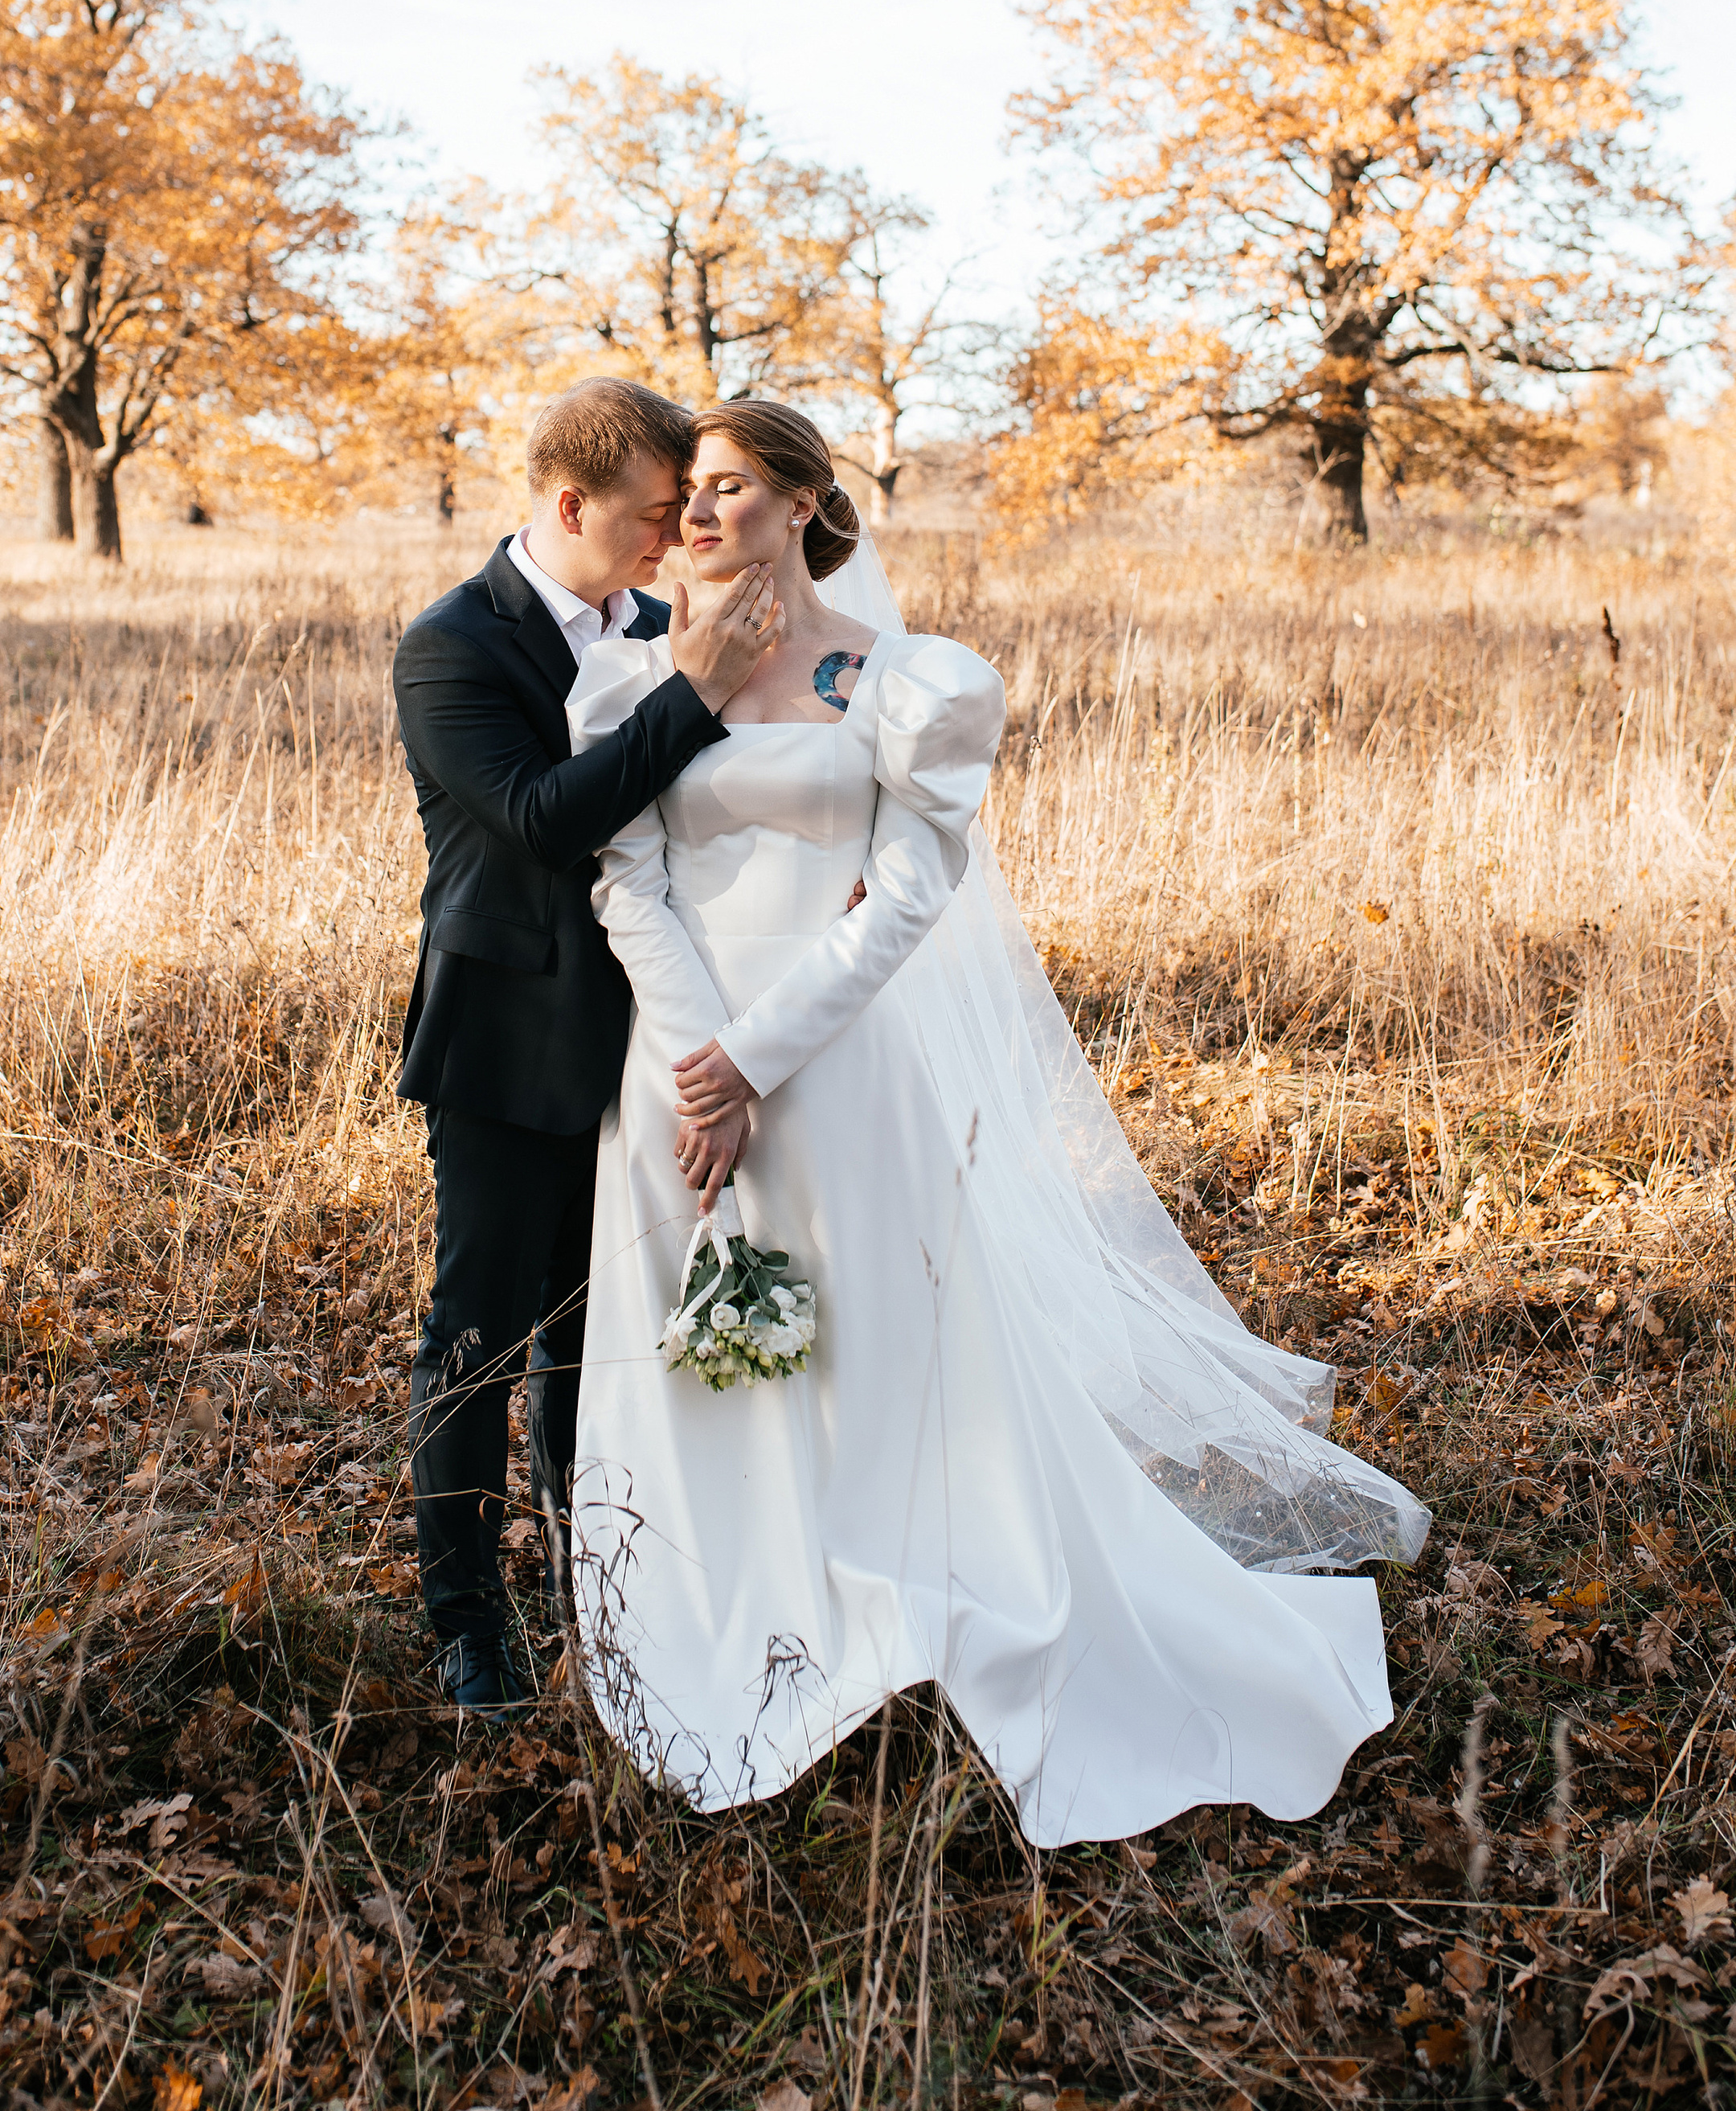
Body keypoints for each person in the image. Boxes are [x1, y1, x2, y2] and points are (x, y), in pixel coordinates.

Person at [564, 399, 1430, 1845]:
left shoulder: (901, 680)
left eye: (725, 490)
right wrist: (698, 1062)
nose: (693, 518)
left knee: (879, 1343)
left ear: (802, 505)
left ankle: (906, 1593)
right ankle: (748, 1617)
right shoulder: (639, 678)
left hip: (840, 1070)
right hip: (673, 1072)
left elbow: (909, 891)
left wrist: (764, 1058)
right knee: (703, 1354)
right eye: (684, 497)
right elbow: (624, 878)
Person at [391, 377, 783, 1718]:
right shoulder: (453, 647)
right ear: (570, 503)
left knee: (599, 1336)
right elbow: (543, 819)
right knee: (481, 1337)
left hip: (653, 1048)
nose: (675, 540)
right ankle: (468, 1628)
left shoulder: (663, 622)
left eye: (684, 513)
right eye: (653, 515)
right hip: (508, 1051)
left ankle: (596, 1588)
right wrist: (700, 690)